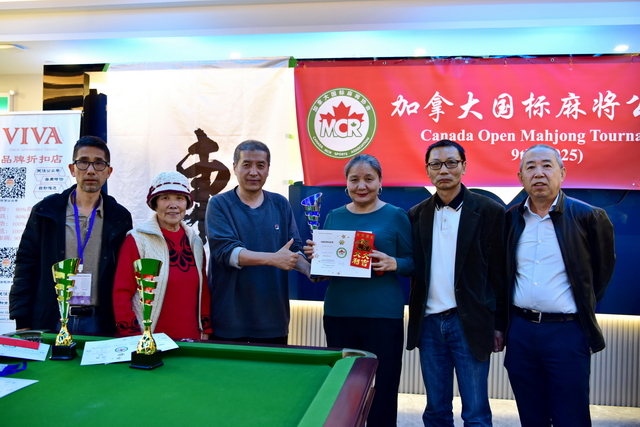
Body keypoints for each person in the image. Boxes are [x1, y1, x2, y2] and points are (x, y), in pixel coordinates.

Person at [503, 144, 615, 427]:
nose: (538, 173)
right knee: (531, 415)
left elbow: (601, 275)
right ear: (520, 177)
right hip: (521, 331)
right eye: (530, 167)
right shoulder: (511, 218)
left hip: (567, 332)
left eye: (547, 165)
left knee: (571, 416)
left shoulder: (589, 217)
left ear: (562, 173)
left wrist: (579, 308)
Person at [304, 153, 414, 427]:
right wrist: (317, 259)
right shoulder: (334, 216)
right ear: (346, 183)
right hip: (339, 313)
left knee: (383, 386)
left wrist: (395, 263)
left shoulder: (396, 216)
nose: (361, 186)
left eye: (368, 179)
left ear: (380, 182)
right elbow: (326, 268)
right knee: (343, 388)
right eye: (354, 179)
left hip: (383, 316)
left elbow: (415, 263)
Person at [406, 139, 507, 427]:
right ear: (427, 170)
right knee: (436, 410)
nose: (444, 170)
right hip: (429, 323)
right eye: (436, 164)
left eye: (451, 163)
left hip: (471, 322)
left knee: (475, 412)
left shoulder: (490, 211)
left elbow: (500, 273)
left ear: (463, 167)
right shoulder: (416, 215)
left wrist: (500, 324)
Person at [9, 136, 132, 335]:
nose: (90, 170)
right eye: (83, 162)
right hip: (51, 318)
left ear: (109, 172)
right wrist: (22, 321)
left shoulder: (119, 217)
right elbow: (25, 267)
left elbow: (123, 275)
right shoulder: (46, 211)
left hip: (100, 322)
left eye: (99, 163)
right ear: (72, 169)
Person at [205, 140, 310, 344]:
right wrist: (273, 259)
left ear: (268, 169)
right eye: (246, 165)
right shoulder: (219, 204)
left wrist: (309, 269)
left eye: (260, 165)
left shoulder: (280, 203)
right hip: (229, 320)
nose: (254, 172)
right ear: (235, 167)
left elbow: (293, 250)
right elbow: (227, 253)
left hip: (273, 320)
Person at [113, 171, 211, 340]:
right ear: (155, 203)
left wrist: (206, 331)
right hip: (149, 340)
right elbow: (121, 292)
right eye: (165, 198)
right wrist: (133, 336)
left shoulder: (195, 242)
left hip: (192, 340)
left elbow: (203, 293)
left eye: (179, 198)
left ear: (187, 203)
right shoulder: (138, 240)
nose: (173, 205)